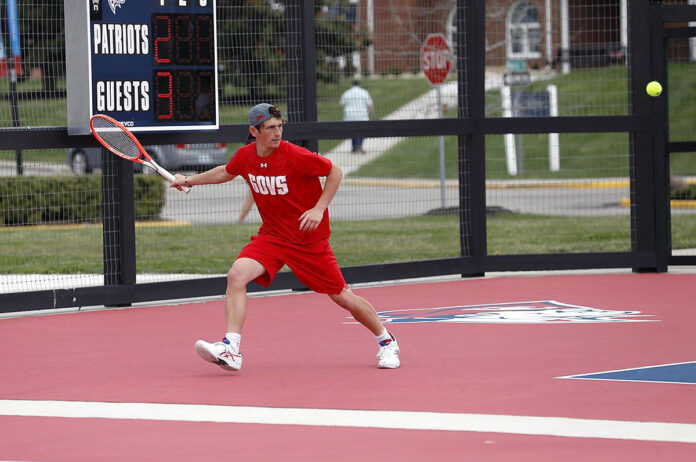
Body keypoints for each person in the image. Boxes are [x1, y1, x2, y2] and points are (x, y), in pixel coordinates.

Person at [171, 103, 400, 371]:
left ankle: (387, 342)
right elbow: (225, 171)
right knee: (236, 275)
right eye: (270, 128)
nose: (277, 132)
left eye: (280, 126)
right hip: (273, 237)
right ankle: (231, 348)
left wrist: (318, 208)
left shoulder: (295, 155)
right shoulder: (246, 156)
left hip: (308, 241)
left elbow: (334, 172)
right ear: (254, 131)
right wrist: (188, 180)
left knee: (342, 296)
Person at [340, 79, 374, 154]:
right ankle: (359, 145)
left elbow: (341, 104)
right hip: (362, 115)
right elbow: (370, 104)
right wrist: (372, 113)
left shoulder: (347, 92)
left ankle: (354, 147)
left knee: (353, 131)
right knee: (362, 131)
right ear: (359, 84)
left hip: (349, 115)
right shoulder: (364, 92)